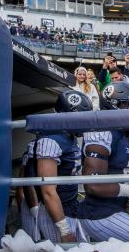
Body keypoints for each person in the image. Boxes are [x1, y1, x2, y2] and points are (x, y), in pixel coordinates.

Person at [78, 80, 129, 241]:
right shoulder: (102, 132)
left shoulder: (126, 132)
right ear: (114, 105)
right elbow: (93, 185)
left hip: (116, 208)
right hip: (100, 213)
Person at [34, 90, 93, 243]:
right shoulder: (51, 140)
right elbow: (48, 191)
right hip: (56, 214)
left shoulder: (68, 136)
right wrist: (64, 230)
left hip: (70, 207)